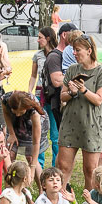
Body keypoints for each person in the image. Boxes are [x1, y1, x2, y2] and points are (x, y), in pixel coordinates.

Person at [58, 34, 102, 190]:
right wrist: (72, 93)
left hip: (92, 126)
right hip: (70, 123)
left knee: (90, 170)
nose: (74, 53)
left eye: (77, 50)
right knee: (63, 167)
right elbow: (63, 96)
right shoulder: (72, 69)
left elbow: (98, 100)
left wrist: (83, 89)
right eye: (73, 50)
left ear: (89, 50)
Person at [42, 23, 73, 168]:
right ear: (64, 35)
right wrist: (74, 80)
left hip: (66, 102)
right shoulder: (54, 56)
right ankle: (57, 172)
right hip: (57, 103)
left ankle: (59, 172)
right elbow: (56, 81)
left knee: (65, 142)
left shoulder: (68, 55)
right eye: (72, 34)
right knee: (61, 142)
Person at [3, 91, 46, 187]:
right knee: (9, 154)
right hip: (15, 125)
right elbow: (6, 113)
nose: (18, 114)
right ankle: (8, 188)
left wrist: (32, 168)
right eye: (15, 111)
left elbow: (36, 143)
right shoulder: (7, 100)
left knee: (31, 157)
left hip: (30, 127)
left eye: (21, 112)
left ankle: (42, 190)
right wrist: (11, 133)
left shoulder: (34, 112)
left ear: (26, 108)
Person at [29, 27, 57, 168]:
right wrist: (30, 93)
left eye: (40, 37)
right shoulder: (38, 55)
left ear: (48, 38)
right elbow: (33, 76)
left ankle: (55, 166)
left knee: (55, 135)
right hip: (40, 96)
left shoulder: (58, 54)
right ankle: (39, 164)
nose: (38, 40)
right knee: (39, 131)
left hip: (54, 97)